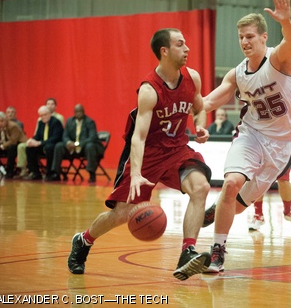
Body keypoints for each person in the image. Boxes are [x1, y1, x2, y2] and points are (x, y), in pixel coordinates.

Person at [67, 28, 213, 281]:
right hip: (148, 154)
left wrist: (200, 125)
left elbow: (199, 107)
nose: (187, 48)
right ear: (164, 51)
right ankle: (83, 240)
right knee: (121, 214)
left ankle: (187, 252)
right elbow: (139, 137)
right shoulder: (149, 90)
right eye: (180, 44)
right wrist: (135, 174)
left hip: (177, 149)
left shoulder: (193, 78)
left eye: (186, 43)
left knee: (200, 188)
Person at [201, 0, 291, 274]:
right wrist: (194, 114)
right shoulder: (237, 73)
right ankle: (217, 251)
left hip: (281, 145)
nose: (245, 42)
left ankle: (220, 208)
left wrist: (285, 22)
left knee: (240, 205)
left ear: (263, 37)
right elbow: (208, 101)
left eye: (250, 37)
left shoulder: (279, 60)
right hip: (250, 135)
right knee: (231, 183)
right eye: (241, 37)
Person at [52, 104, 104, 182]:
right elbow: (65, 135)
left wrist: (78, 144)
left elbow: (92, 137)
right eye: (77, 111)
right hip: (71, 148)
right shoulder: (69, 121)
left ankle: (91, 173)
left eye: (80, 111)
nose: (79, 113)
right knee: (59, 146)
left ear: (84, 112)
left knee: (90, 146)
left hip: (84, 148)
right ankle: (57, 173)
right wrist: (68, 142)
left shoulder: (90, 122)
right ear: (74, 112)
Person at [25, 105, 64, 180]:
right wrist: (32, 141)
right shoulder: (40, 123)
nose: (43, 117)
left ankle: (50, 172)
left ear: (49, 114)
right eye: (41, 115)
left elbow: (56, 137)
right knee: (29, 148)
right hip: (43, 144)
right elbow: (38, 136)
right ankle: (35, 172)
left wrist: (40, 143)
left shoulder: (56, 122)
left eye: (45, 115)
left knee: (49, 148)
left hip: (54, 145)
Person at [0, 112, 27, 178]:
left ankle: (10, 171)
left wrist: (0, 147)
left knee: (11, 148)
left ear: (6, 119)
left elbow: (13, 141)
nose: (0, 123)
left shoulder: (13, 126)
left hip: (17, 144)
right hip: (5, 145)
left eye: (2, 121)